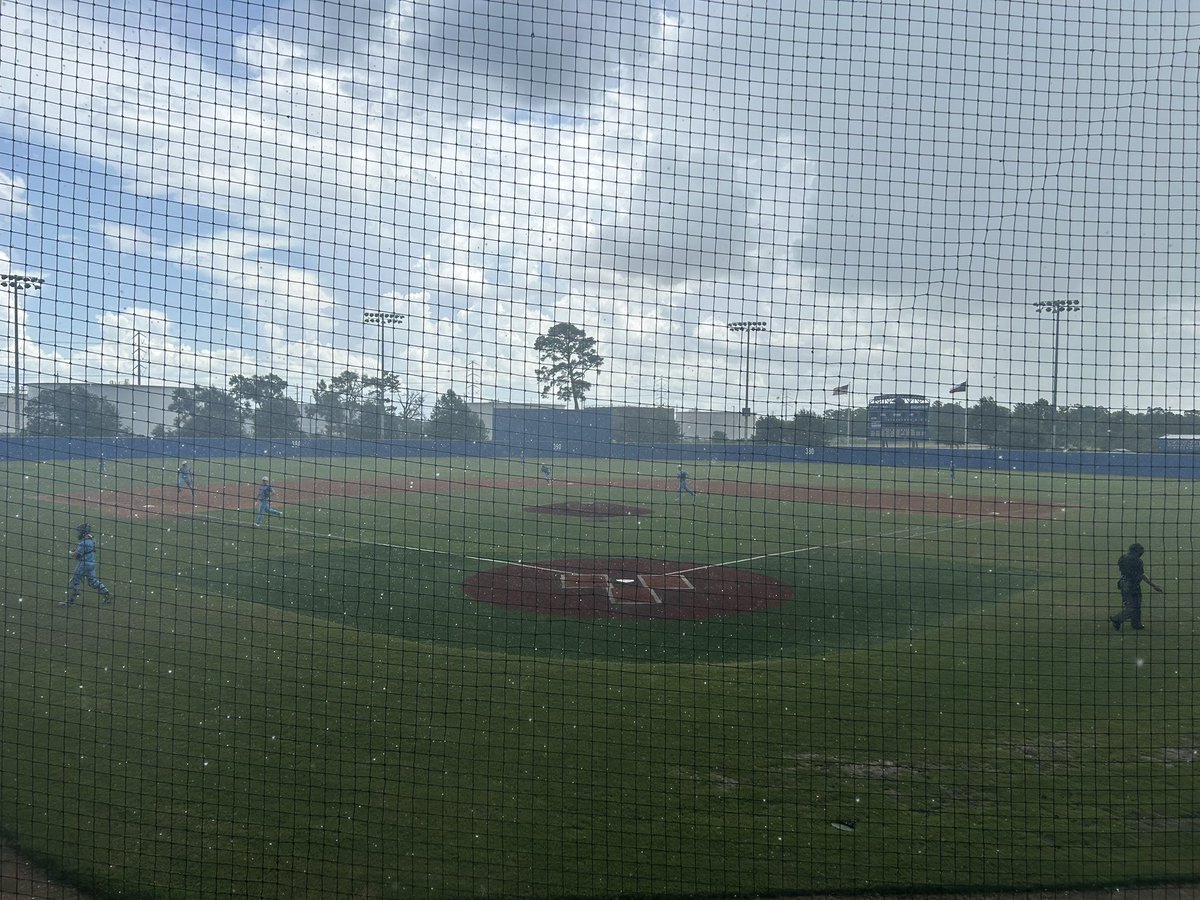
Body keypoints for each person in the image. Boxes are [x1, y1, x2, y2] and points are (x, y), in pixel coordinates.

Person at [1110, 542, 1163, 631]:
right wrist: (1154, 585)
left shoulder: (1123, 558)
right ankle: (1117, 619)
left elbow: (1123, 570)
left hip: (1123, 583)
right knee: (1133, 606)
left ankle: (1136, 624)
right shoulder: (1137, 561)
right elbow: (1141, 575)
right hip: (1132, 585)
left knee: (1135, 605)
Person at [61, 523, 113, 607]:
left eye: (80, 531)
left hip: (83, 564)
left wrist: (71, 552)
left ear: (83, 532)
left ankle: (70, 601)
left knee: (74, 581)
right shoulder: (92, 540)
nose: (78, 533)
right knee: (93, 581)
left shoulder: (83, 543)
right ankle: (107, 594)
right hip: (92, 563)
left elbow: (76, 556)